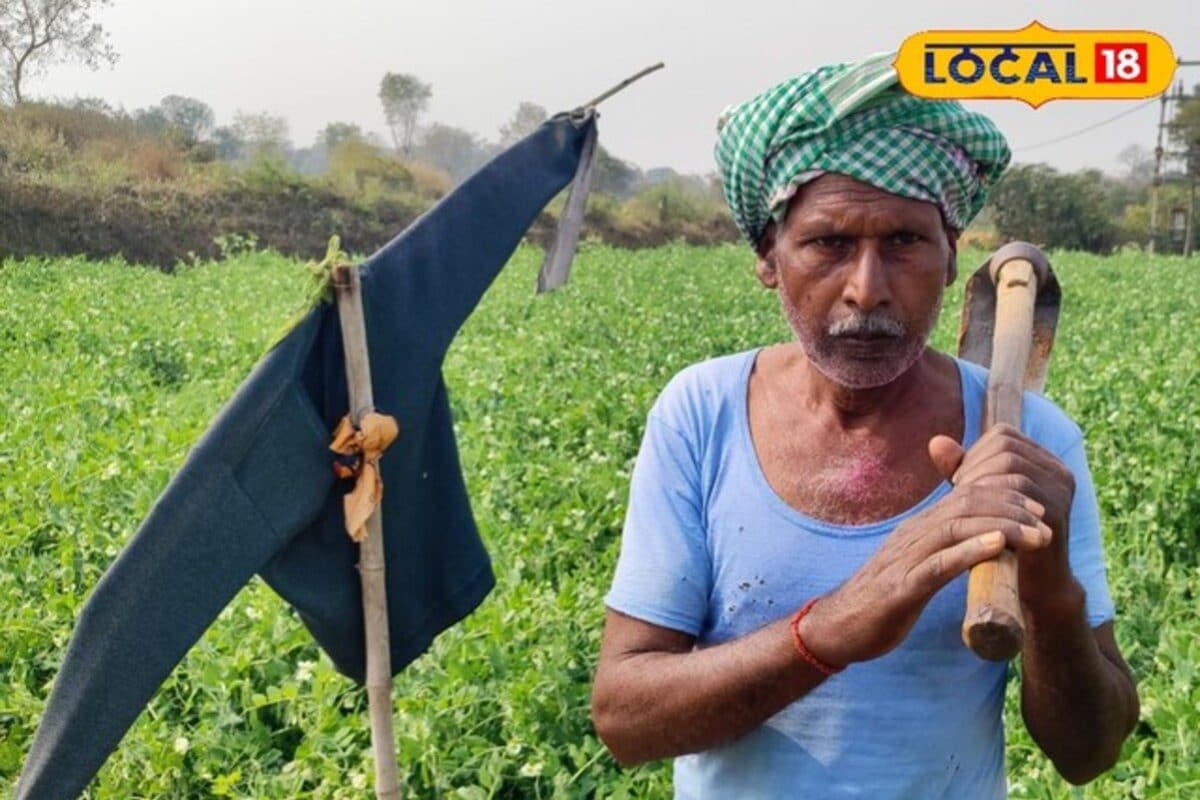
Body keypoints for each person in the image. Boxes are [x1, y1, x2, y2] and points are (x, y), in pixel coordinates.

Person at [590, 52, 1138, 798]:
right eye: (830, 243)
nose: (867, 289)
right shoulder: (702, 412)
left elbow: (1089, 753)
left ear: (951, 257)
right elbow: (626, 721)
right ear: (768, 257)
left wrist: (1048, 588)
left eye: (905, 242)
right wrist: (831, 630)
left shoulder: (1031, 442)